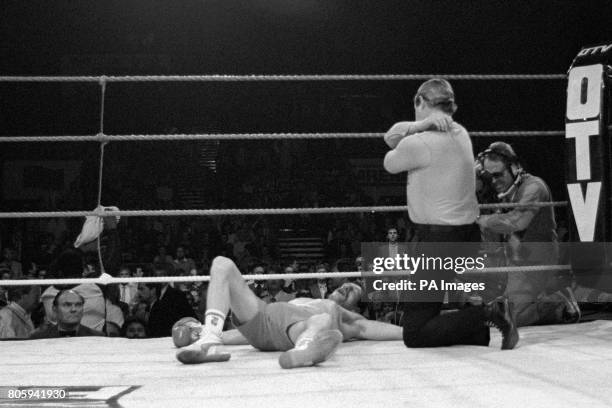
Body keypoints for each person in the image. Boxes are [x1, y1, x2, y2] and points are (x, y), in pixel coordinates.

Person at [383, 78, 518, 350]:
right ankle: (477, 332)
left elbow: (389, 156)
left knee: (415, 332)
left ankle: (490, 314)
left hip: (441, 243)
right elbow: (392, 138)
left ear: (420, 102)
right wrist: (422, 125)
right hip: (465, 237)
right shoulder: (461, 133)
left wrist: (419, 127)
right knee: (427, 314)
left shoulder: (420, 143)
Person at [173, 256, 403, 369]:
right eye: (347, 283)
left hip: (294, 333)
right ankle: (207, 340)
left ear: (354, 306)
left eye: (354, 291)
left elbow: (370, 328)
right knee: (222, 264)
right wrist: (211, 335)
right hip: (262, 320)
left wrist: (412, 333)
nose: (347, 286)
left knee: (322, 318)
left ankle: (305, 350)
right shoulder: (307, 299)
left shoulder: (340, 316)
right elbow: (246, 337)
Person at [475, 141, 580, 327]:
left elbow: (518, 221)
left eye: (498, 175)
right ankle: (542, 292)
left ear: (515, 168)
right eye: (488, 176)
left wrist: (484, 220)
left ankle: (559, 303)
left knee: (506, 318)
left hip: (537, 260)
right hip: (512, 258)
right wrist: (471, 176)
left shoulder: (534, 187)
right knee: (481, 302)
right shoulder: (501, 189)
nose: (493, 181)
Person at [30, 289, 105, 339]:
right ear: (54, 309)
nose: (73, 309)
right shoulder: (39, 338)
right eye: (67, 305)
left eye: (78, 305)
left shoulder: (98, 338)